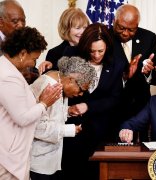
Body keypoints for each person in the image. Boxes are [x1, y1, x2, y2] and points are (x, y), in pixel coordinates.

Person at [61, 23, 123, 180]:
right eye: (92, 50)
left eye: (100, 51)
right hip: (72, 131)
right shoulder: (71, 54)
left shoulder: (116, 64)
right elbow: (60, 83)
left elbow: (115, 99)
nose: (96, 55)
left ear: (107, 47)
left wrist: (88, 106)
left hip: (101, 132)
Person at [0, 27, 62, 180]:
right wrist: (44, 103)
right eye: (34, 58)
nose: (33, 63)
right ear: (22, 54)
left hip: (14, 155)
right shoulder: (7, 76)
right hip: (7, 159)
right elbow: (22, 118)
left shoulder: (10, 70)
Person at [30, 56, 96, 180]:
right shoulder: (48, 85)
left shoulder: (60, 83)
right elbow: (36, 126)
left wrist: (68, 111)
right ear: (71, 79)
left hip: (49, 161)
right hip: (37, 163)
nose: (81, 94)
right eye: (81, 89)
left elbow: (50, 115)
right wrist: (70, 130)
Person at [110, 4, 156, 141]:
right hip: (113, 108)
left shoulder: (148, 37)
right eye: (121, 28)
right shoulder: (105, 38)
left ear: (137, 25)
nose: (126, 33)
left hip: (140, 109)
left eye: (131, 30)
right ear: (114, 21)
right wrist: (125, 76)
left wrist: (148, 73)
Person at [37, 7, 89, 74]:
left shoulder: (92, 50)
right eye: (78, 28)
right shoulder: (54, 53)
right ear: (66, 29)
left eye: (85, 27)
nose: (82, 32)